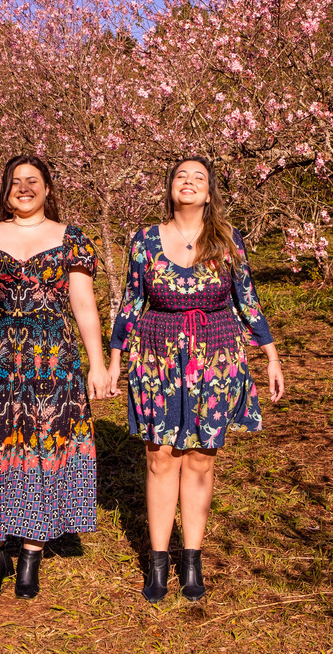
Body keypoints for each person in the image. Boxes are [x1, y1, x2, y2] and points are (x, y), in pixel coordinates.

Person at [107, 155, 284, 603]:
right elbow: (131, 301)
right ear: (170, 188)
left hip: (217, 353)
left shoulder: (227, 240)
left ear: (209, 192)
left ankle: (192, 561)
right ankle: (158, 563)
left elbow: (248, 300)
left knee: (202, 456)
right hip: (157, 354)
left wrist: (271, 356)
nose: (189, 182)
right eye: (181, 176)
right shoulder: (144, 241)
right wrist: (113, 359)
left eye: (198, 177)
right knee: (161, 456)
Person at [0, 154, 112, 601]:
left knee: (45, 448)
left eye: (33, 180)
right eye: (16, 181)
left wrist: (96, 363)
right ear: (5, 189)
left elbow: (84, 306)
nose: (24, 187)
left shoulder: (71, 238)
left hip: (53, 361)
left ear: (47, 188)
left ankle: (30, 560)